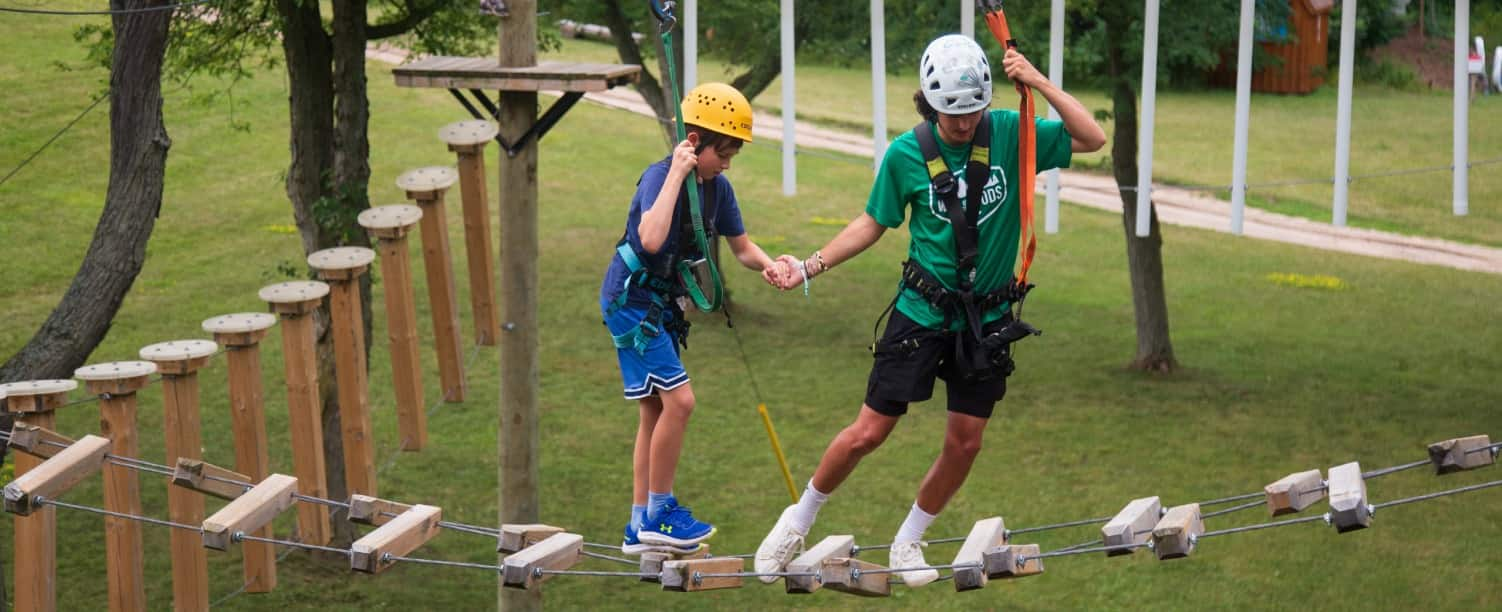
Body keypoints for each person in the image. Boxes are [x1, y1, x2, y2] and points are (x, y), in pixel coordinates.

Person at [754, 34, 1106, 586]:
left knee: (965, 442)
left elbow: (1092, 137)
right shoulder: (906, 155)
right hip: (921, 313)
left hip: (986, 322)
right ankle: (797, 521)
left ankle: (909, 540)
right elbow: (873, 223)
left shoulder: (1013, 133)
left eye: (973, 112)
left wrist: (1036, 81)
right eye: (951, 113)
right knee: (870, 431)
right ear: (929, 102)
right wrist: (808, 265)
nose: (964, 125)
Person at [601, 82, 790, 554]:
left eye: (731, 155)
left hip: (661, 305)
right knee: (680, 403)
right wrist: (676, 175)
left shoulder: (718, 189)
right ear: (693, 141)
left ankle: (638, 524)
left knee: (655, 410)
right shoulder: (658, 177)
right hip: (632, 301)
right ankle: (661, 514)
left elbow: (741, 247)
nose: (727, 163)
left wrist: (771, 265)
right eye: (721, 153)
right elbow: (649, 237)